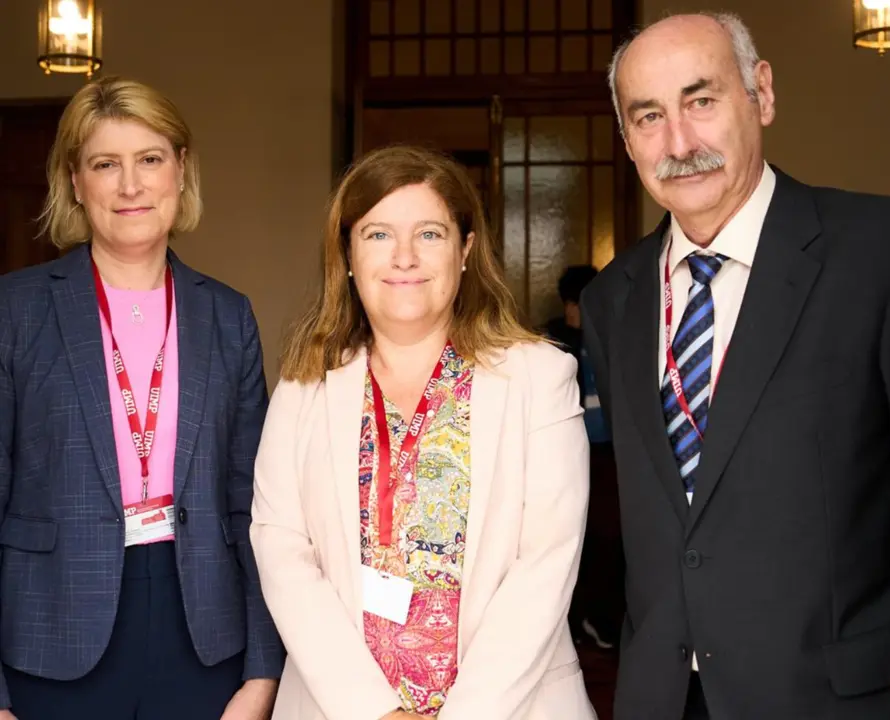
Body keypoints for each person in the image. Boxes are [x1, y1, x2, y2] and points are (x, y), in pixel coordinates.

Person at [581, 10, 890, 720]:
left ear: (763, 94)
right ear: (626, 139)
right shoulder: (612, 300)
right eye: (649, 116)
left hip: (835, 697)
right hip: (663, 697)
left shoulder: (873, 254)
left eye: (701, 100)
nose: (679, 142)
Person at [250, 145, 596, 720]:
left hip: (512, 707)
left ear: (465, 250)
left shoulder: (539, 376)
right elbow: (281, 548)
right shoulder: (305, 387)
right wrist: (373, 711)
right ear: (349, 254)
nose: (405, 257)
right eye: (379, 234)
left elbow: (546, 563)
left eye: (430, 234)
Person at [0, 76, 284, 719]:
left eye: (150, 159)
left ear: (180, 171)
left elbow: (254, 506)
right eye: (106, 164)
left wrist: (264, 673)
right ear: (76, 181)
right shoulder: (15, 311)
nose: (131, 186)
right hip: (50, 634)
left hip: (203, 634)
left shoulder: (226, 315)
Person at [544, 266, 622, 651]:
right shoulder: (553, 340)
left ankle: (601, 616)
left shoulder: (614, 336)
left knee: (608, 537)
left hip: (610, 453)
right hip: (565, 452)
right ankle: (572, 622)